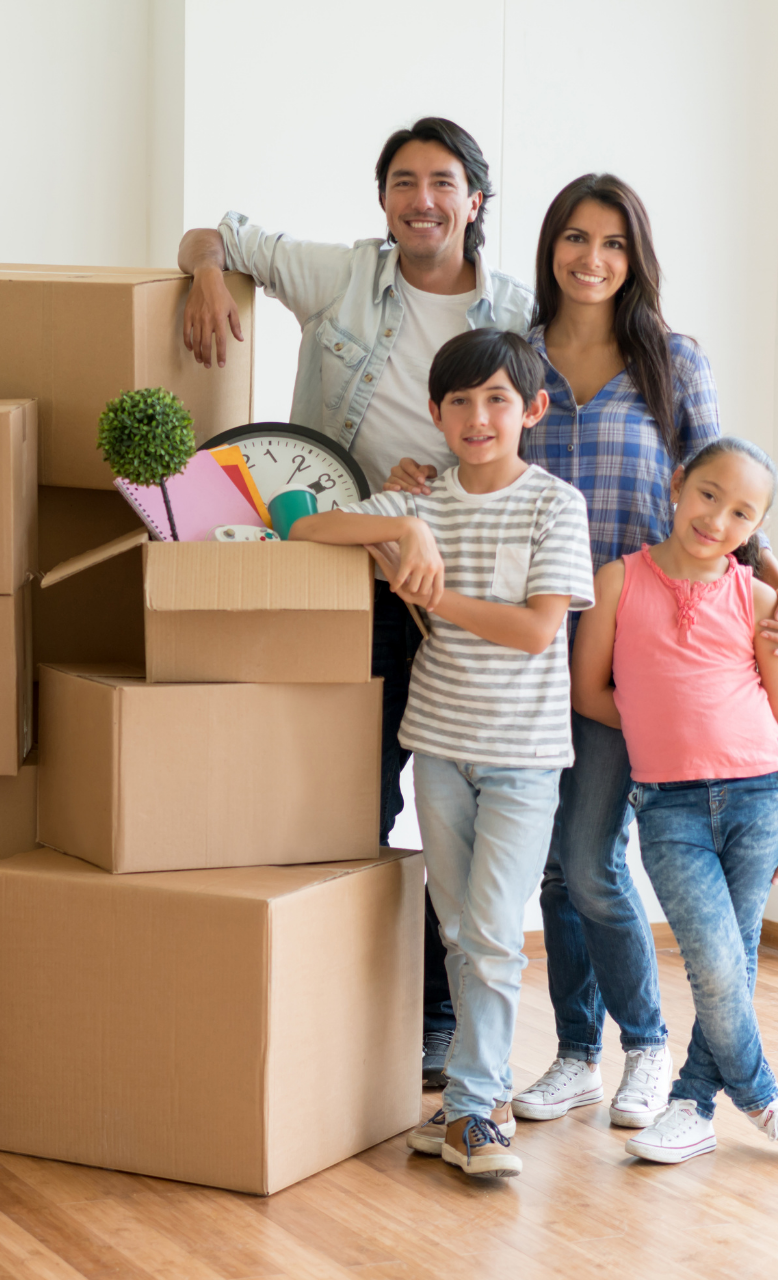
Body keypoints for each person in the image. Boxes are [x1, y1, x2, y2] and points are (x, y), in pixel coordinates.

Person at [385, 175, 778, 1128]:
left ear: (635, 258)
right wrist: (413, 476)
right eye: (576, 239)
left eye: (613, 244)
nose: (592, 259)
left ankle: (645, 1046)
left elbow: (724, 492)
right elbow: (470, 446)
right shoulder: (518, 356)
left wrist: (777, 582)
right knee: (549, 873)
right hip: (521, 658)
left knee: (591, 864)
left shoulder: (671, 362)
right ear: (550, 249)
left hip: (639, 649)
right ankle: (575, 1052)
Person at [177, 118, 535, 1087]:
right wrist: (209, 271)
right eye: (404, 181)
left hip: (468, 596)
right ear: (384, 199)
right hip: (353, 584)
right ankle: (346, 1010)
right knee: (353, 805)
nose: (424, 198)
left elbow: (536, 430)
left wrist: (463, 469)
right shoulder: (341, 276)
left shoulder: (514, 306)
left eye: (443, 181)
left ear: (476, 201)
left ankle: (442, 1019)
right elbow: (217, 233)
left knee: (474, 814)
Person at [288, 328, 595, 1179]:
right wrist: (403, 537)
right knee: (461, 931)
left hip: (524, 756)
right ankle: (470, 1107)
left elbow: (538, 630)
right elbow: (298, 523)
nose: (477, 416)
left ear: (531, 410)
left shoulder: (554, 504)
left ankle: (471, 1112)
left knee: (494, 933)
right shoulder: (420, 503)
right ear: (434, 413)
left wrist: (435, 588)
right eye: (458, 400)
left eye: (497, 398)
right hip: (438, 746)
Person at [571, 437, 778, 1163]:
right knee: (716, 963)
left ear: (756, 530)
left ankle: (691, 1107)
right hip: (669, 807)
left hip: (762, 794)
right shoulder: (617, 582)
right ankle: (764, 1103)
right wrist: (662, 723)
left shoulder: (757, 599)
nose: (718, 518)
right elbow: (588, 691)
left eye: (741, 513)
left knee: (736, 959)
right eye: (708, 495)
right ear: (676, 485)